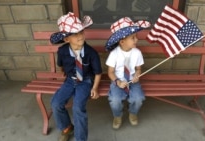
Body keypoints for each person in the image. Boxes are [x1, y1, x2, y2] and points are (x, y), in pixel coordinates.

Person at [50, 12, 102, 141]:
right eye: (75, 34)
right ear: (67, 39)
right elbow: (61, 66)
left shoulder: (91, 53)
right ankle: (67, 128)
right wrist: (67, 75)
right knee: (56, 103)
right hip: (69, 81)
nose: (80, 36)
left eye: (81, 32)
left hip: (85, 81)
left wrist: (94, 88)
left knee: (78, 107)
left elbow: (98, 73)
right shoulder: (62, 51)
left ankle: (80, 138)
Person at [105, 17, 150, 129]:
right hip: (118, 81)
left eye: (136, 37)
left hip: (132, 81)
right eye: (133, 38)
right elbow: (110, 72)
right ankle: (117, 115)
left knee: (138, 98)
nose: (136, 40)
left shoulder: (137, 53)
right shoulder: (114, 54)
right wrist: (117, 81)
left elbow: (138, 69)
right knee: (115, 100)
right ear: (122, 41)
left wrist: (137, 75)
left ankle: (133, 112)